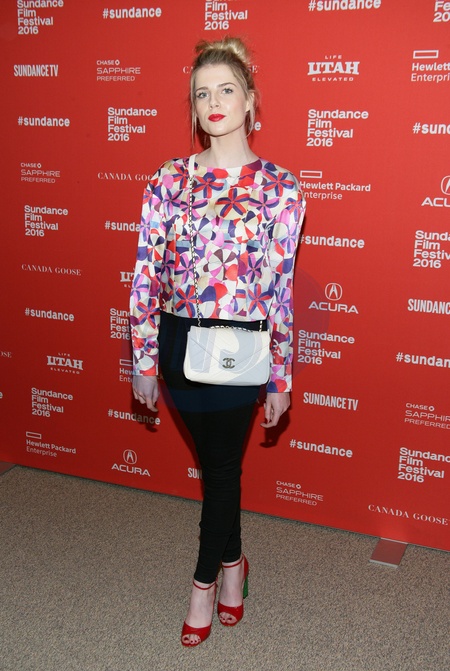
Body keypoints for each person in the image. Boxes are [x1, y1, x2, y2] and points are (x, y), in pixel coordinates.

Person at [130, 36, 306, 647]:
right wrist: (143, 359)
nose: (214, 102)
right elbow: (146, 275)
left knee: (224, 468)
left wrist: (281, 375)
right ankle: (235, 564)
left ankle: (203, 585)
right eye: (202, 93)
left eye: (226, 89)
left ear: (250, 100)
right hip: (177, 343)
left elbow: (280, 290)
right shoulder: (167, 180)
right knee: (215, 468)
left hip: (242, 348)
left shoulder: (282, 188)